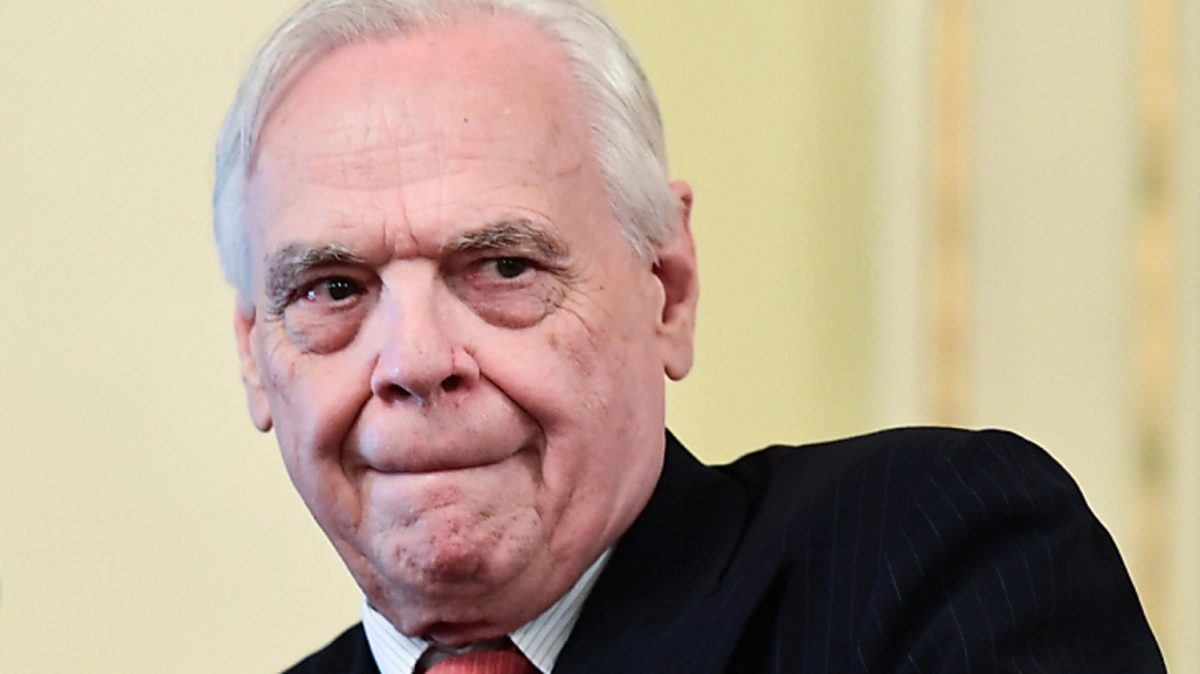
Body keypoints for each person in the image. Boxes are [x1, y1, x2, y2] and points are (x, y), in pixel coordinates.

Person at [212, 0, 1166, 671]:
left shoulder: (926, 560)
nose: (415, 361)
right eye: (334, 289)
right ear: (256, 357)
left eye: (503, 268)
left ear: (667, 290)